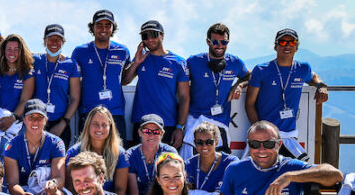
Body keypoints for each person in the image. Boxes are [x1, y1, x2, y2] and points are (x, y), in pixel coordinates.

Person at [246, 28, 329, 160]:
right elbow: (249, 104)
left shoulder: (303, 68)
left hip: (289, 137)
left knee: (304, 173)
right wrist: (260, 133)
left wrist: (321, 86)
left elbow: (313, 76)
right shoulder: (261, 70)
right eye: (283, 42)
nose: (287, 45)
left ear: (297, 47)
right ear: (275, 46)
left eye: (292, 42)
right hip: (266, 139)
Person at [181, 23, 249, 159]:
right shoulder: (193, 61)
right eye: (215, 42)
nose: (220, 45)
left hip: (220, 122)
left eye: (224, 42)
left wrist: (239, 85)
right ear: (208, 42)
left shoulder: (235, 62)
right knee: (189, 162)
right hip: (195, 119)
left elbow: (249, 75)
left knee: (221, 163)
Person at [123, 20, 190, 148]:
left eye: (153, 34)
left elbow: (184, 97)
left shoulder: (178, 62)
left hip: (168, 124)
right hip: (141, 123)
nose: (149, 39)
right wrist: (136, 62)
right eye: (145, 36)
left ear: (162, 35)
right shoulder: (140, 58)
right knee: (141, 166)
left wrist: (179, 127)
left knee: (166, 166)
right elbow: (125, 80)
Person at [71, 10, 130, 140]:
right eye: (99, 25)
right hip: (89, 112)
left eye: (107, 25)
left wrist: (136, 63)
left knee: (116, 156)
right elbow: (72, 79)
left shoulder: (123, 51)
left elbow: (125, 80)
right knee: (87, 158)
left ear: (113, 28)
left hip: (115, 113)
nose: (103, 29)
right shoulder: (80, 51)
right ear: (92, 27)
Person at [3, 99, 66, 195]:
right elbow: (12, 183)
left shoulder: (56, 143)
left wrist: (53, 184)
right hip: (22, 191)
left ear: (46, 120)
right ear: (24, 119)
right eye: (31, 117)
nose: (35, 121)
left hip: (46, 189)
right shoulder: (12, 145)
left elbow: (60, 178)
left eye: (40, 117)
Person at [64, 106, 129, 195]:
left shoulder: (120, 153)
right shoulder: (74, 152)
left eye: (104, 124)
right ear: (88, 125)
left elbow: (120, 190)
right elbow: (70, 188)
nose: (100, 128)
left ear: (110, 126)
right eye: (95, 124)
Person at [33, 24, 81, 149]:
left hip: (60, 123)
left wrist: (63, 123)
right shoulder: (34, 61)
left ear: (63, 42)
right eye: (50, 39)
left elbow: (75, 98)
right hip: (36, 121)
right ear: (44, 41)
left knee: (58, 164)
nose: (54, 42)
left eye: (58, 39)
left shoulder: (70, 64)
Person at [0, 34, 35, 155]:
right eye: (9, 49)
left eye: (16, 50)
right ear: (3, 50)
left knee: (11, 154)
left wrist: (12, 118)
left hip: (16, 123)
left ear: (21, 51)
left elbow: (25, 99)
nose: (12, 53)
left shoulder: (27, 72)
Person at [185, 121, 238, 195]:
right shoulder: (188, 165)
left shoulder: (231, 163)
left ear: (217, 142)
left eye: (209, 142)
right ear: (195, 143)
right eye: (200, 142)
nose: (204, 146)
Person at [126, 114, 176, 195]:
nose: (151, 135)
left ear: (162, 134)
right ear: (140, 132)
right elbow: (134, 194)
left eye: (156, 131)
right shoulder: (130, 155)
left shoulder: (169, 153)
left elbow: (167, 183)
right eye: (147, 131)